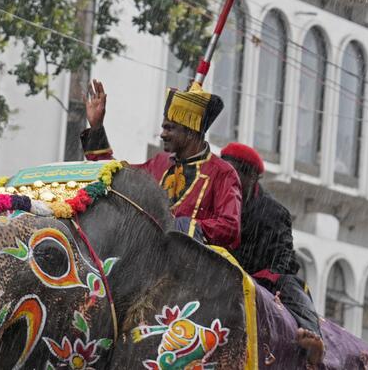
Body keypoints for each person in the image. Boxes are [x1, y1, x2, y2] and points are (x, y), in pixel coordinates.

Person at [82, 80, 242, 250]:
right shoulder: (159, 163)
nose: (162, 134)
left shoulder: (223, 173)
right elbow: (117, 177)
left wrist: (184, 227)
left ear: (190, 133)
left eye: (169, 128)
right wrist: (96, 127)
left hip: (194, 265)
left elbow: (230, 227)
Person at [220, 142, 324, 366]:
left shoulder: (275, 212)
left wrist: (261, 280)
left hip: (264, 281)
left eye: (233, 174)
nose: (227, 180)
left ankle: (313, 338)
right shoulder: (215, 200)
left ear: (251, 178)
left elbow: (285, 259)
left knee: (292, 286)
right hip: (219, 272)